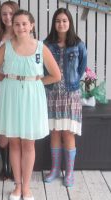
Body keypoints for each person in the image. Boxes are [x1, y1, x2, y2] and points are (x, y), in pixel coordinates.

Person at [0, 10, 61, 200]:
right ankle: (17, 186)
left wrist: (35, 82)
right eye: (17, 24)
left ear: (32, 25)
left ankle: (27, 187)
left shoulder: (40, 47)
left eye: (24, 24)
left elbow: (56, 75)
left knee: (28, 143)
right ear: (12, 25)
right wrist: (8, 80)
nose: (20, 27)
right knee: (14, 143)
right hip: (10, 95)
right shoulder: (6, 47)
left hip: (32, 96)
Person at [43, 8, 87, 187]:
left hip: (70, 94)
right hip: (52, 93)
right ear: (54, 24)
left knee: (68, 133)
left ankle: (69, 173)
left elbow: (81, 68)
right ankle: (54, 169)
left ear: (70, 23)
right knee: (54, 132)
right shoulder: (46, 44)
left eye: (64, 20)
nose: (61, 24)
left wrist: (71, 82)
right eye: (58, 21)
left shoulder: (78, 44)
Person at [0, 1, 19, 181]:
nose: (7, 17)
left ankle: (15, 164)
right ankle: (5, 164)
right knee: (0, 125)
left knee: (15, 125)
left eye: (10, 13)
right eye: (4, 14)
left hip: (16, 87)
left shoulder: (22, 35)